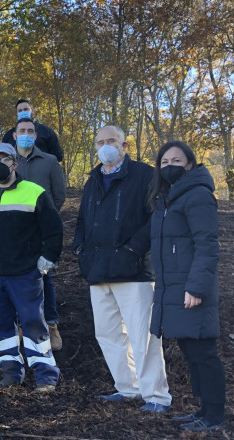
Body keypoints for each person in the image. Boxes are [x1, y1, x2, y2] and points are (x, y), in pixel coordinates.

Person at [73, 125, 172, 412]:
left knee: (144, 335)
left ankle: (155, 396)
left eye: (112, 141)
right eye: (100, 141)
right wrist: (80, 249)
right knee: (107, 333)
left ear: (124, 145)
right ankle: (127, 388)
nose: (106, 146)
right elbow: (82, 219)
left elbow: (156, 217)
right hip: (98, 269)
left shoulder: (143, 175)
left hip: (134, 271)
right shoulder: (93, 179)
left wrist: (133, 250)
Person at [0, 143, 62, 392]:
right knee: (0, 324)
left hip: (25, 272)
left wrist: (48, 257)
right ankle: (11, 372)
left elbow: (53, 229)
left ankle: (45, 375)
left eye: (5, 159)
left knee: (33, 321)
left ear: (14, 164)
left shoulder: (34, 192)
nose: (0, 164)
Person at [149, 141, 225, 431]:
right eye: (165, 161)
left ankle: (215, 416)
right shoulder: (167, 200)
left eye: (177, 160)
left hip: (192, 288)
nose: (170, 166)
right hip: (173, 286)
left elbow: (207, 245)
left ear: (190, 165)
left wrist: (196, 288)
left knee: (204, 352)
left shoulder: (197, 196)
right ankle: (203, 410)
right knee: (191, 350)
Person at [11, 117, 66, 350]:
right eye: (21, 130)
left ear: (35, 135)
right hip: (13, 230)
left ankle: (51, 323)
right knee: (14, 277)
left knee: (45, 277)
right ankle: (20, 323)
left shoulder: (49, 161)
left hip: (41, 230)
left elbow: (59, 194)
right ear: (14, 135)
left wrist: (46, 218)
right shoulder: (6, 160)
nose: (26, 134)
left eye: (30, 131)